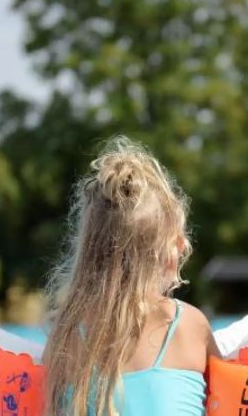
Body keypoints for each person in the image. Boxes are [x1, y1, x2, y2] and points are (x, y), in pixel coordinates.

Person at [42, 137, 218, 416]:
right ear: (164, 252)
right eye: (177, 238)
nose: (184, 245)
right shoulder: (186, 325)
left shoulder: (66, 332)